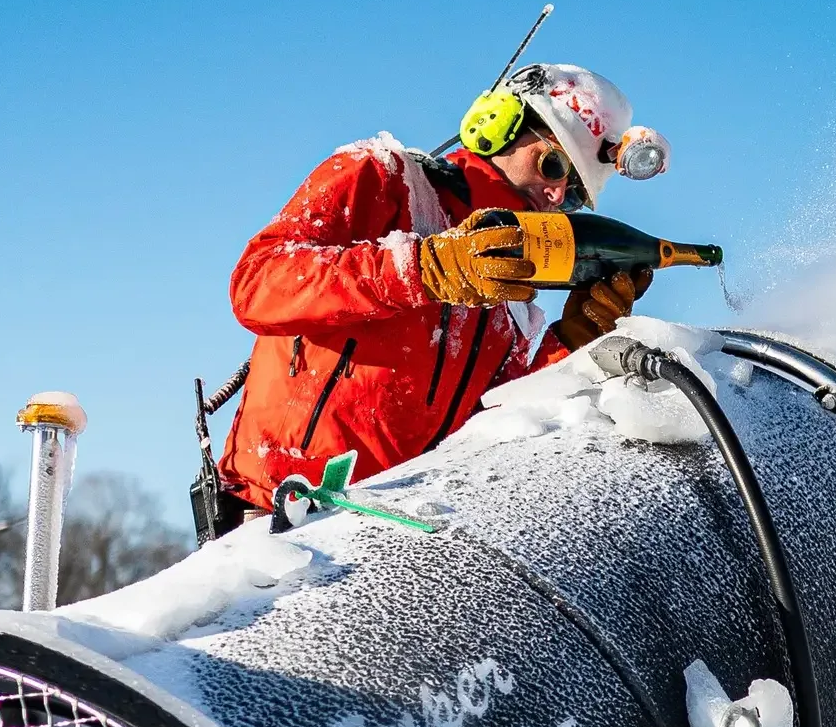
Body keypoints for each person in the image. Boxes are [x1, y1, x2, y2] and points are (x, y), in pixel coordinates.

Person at [212, 64, 665, 520]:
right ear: (499, 125)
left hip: (396, 532)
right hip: (274, 516)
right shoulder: (383, 178)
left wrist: (567, 344)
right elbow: (257, 284)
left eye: (571, 197)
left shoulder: (512, 299)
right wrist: (422, 268)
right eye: (553, 164)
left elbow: (489, 425)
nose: (553, 196)